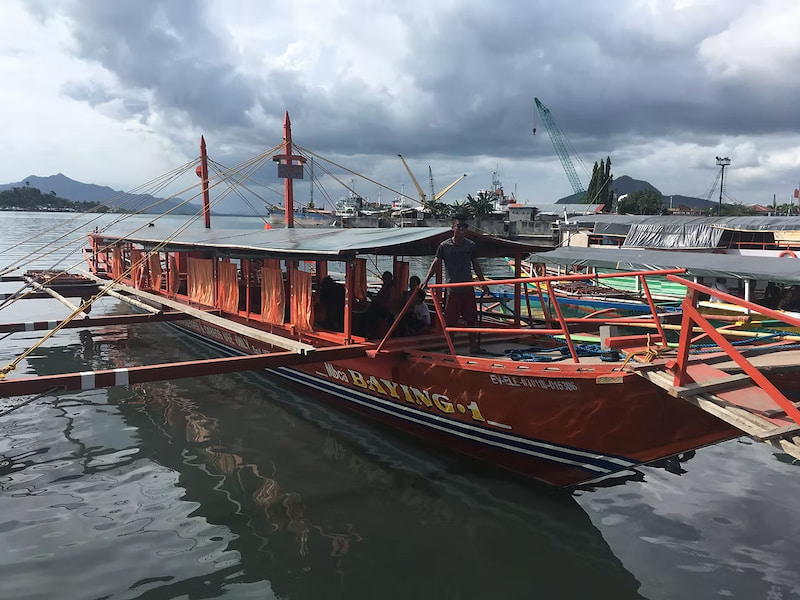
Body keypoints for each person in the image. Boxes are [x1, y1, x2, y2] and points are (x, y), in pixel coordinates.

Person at [422, 214, 488, 353]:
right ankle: (450, 347)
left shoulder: (471, 245)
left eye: (465, 227)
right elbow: (436, 264)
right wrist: (426, 280)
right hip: (453, 289)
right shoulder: (444, 246)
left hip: (467, 287)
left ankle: (473, 347)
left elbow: (476, 265)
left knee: (471, 319)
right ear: (453, 228)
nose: (462, 229)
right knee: (450, 320)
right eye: (459, 226)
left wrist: (483, 283)